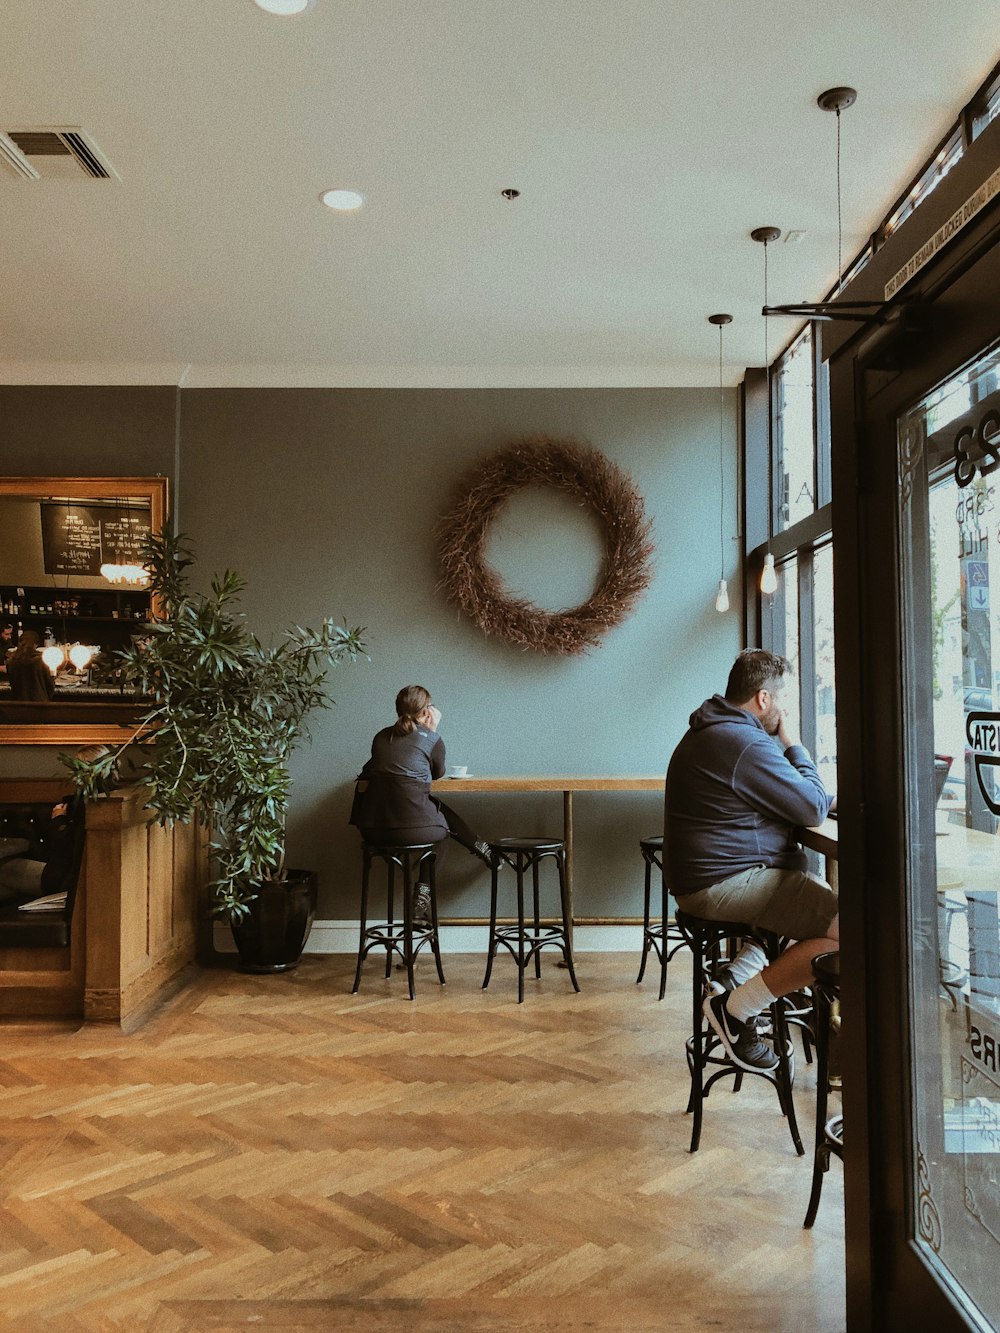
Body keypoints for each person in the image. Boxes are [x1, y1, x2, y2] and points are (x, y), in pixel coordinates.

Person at [665, 648, 838, 1072]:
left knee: (813, 896)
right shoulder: (742, 742)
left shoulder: (717, 730)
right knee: (850, 931)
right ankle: (737, 1008)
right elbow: (811, 808)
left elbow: (790, 799)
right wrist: (793, 742)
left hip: (709, 880)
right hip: (720, 885)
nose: (783, 709)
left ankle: (736, 975)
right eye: (782, 699)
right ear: (763, 699)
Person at [350, 685, 492, 919]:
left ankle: (479, 846)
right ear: (427, 710)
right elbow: (437, 773)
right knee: (443, 831)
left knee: (433, 806)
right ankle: (423, 893)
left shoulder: (381, 737)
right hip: (409, 832)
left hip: (373, 831)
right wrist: (432, 730)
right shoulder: (431, 738)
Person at [6, 630, 56, 702]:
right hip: (40, 704)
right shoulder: (42, 660)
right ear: (35, 644)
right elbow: (50, 686)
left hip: (19, 705)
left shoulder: (11, 661)